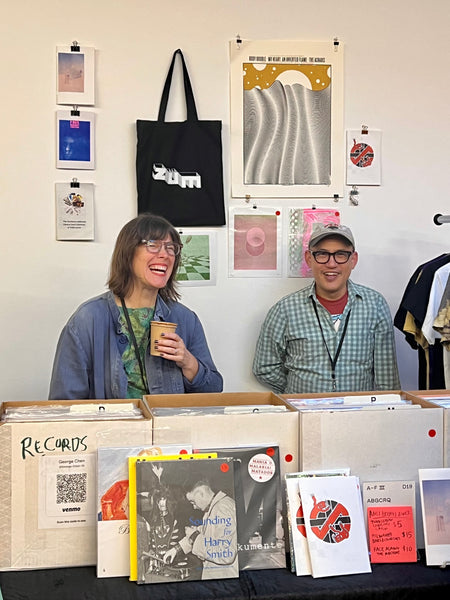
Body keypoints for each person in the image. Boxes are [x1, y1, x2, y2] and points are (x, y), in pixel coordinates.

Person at [49, 213, 222, 399]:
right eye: (153, 244)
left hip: (170, 427)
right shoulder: (87, 319)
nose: (165, 254)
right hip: (111, 427)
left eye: (171, 247)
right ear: (128, 252)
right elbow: (65, 403)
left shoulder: (185, 319)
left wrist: (188, 362)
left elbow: (213, 390)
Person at [253, 223, 400, 394]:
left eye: (341, 255)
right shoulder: (284, 310)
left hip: (358, 414)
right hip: (303, 413)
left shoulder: (375, 305)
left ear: (353, 260)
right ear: (309, 259)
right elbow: (264, 367)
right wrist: (297, 390)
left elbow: (387, 378)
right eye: (322, 254)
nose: (331, 264)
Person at [163, 479, 238, 580]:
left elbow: (226, 553)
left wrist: (194, 536)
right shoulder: (213, 508)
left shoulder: (222, 509)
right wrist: (176, 549)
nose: (193, 507)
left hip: (225, 577)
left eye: (192, 501)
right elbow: (202, 532)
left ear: (201, 493)